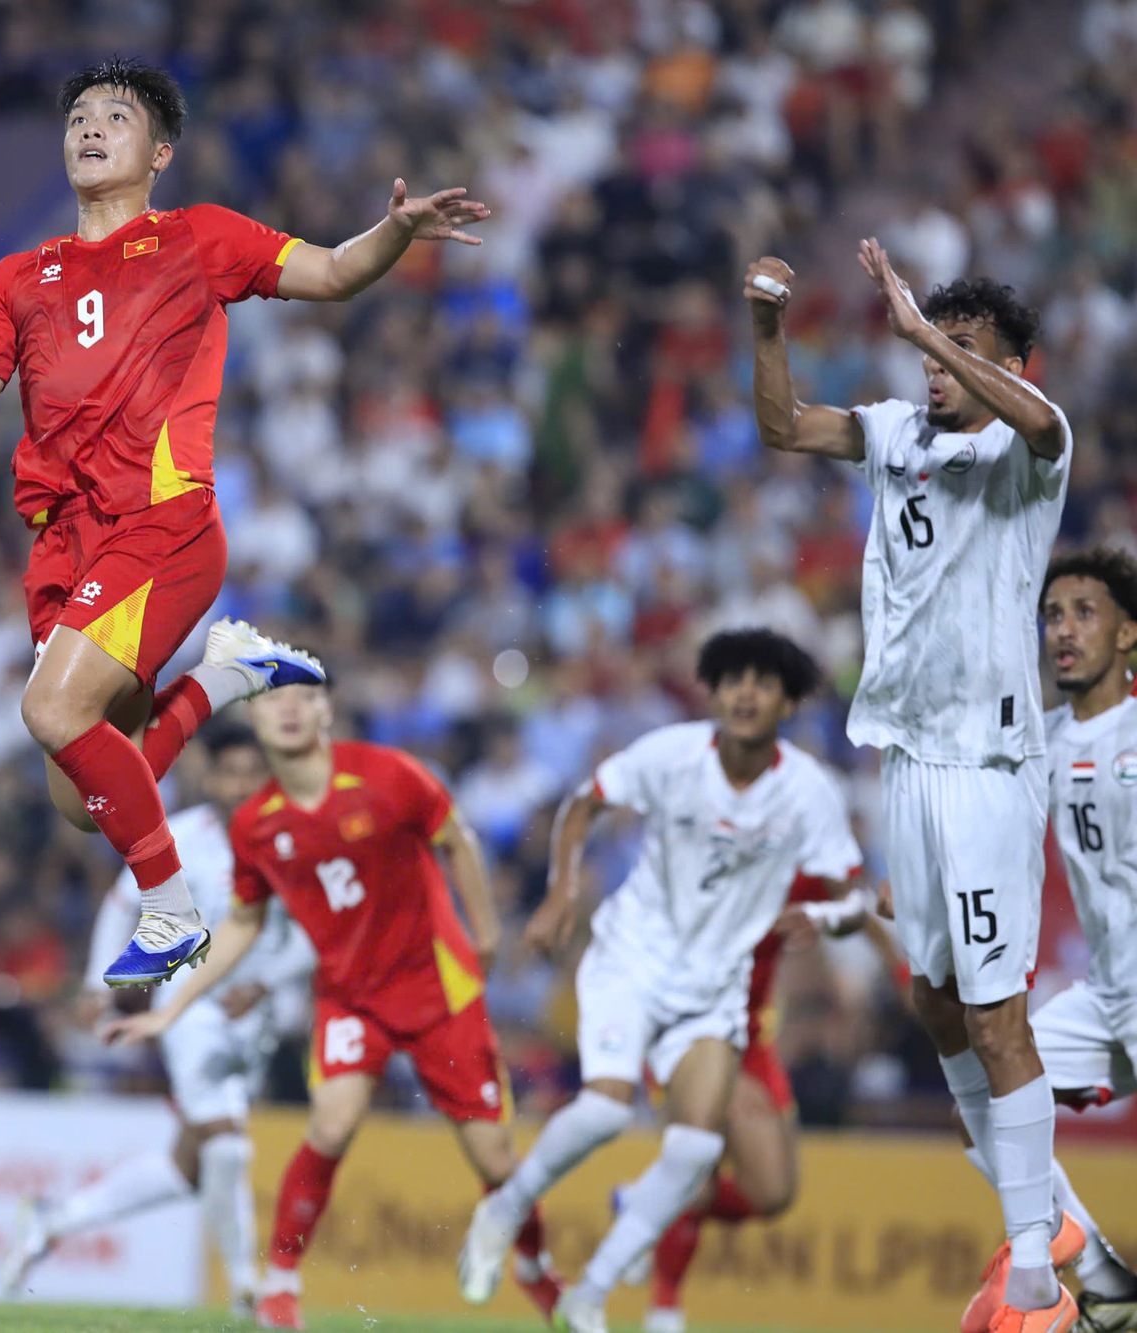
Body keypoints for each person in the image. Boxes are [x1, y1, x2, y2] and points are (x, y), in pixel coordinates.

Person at [0, 56, 489, 988]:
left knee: (48, 708)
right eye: (78, 115)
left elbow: (333, 273)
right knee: (83, 799)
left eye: (115, 115)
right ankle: (224, 679)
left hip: (163, 522)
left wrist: (394, 232)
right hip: (62, 544)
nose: (90, 127)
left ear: (160, 152)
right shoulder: (18, 278)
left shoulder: (199, 238)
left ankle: (172, 908)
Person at [744, 242, 1077, 1333]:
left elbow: (1029, 418)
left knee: (992, 1013)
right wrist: (763, 325)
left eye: (963, 352)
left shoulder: (1035, 454)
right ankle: (1048, 1214)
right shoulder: (895, 431)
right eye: (934, 348)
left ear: (1008, 362)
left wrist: (925, 335)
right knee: (931, 1000)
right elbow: (784, 427)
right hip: (904, 758)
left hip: (985, 770)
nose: (934, 372)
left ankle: (1032, 1258)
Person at [106, 677, 561, 1331]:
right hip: (352, 998)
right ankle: (280, 1286)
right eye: (271, 701)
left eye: (302, 699)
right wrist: (172, 1005)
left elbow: (456, 837)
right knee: (331, 1125)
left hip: (438, 990)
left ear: (326, 712)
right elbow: (241, 925)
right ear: (256, 720)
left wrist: (486, 934)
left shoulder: (389, 774)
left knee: (494, 1159)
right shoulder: (258, 823)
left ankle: (537, 1271)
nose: (287, 711)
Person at [461, 629, 863, 1333]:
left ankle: (593, 1291)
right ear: (712, 688)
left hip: (714, 988)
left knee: (697, 1148)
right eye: (732, 678)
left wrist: (828, 918)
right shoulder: (672, 754)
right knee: (609, 1109)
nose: (745, 692)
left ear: (788, 702)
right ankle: (506, 1207)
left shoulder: (808, 790)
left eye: (763, 683)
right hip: (631, 958)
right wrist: (560, 893)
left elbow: (851, 894)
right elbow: (585, 801)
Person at [1, 724, 316, 1315]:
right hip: (189, 1009)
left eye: (253, 772)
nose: (241, 783)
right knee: (226, 1144)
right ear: (211, 776)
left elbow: (317, 933)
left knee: (190, 1165)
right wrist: (99, 980)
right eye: (231, 771)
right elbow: (122, 902)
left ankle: (53, 1221)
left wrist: (266, 984)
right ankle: (249, 1292)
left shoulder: (289, 842)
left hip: (256, 1021)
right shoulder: (182, 838)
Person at [634, 879, 891, 1333]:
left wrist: (844, 931)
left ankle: (644, 1208)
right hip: (684, 1033)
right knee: (695, 1175)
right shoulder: (699, 853)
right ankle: (664, 1311)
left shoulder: (797, 853)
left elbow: (851, 902)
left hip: (752, 1039)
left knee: (773, 1193)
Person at [999, 548, 1137, 1333]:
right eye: (1053, 613)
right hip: (1108, 993)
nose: (1063, 629)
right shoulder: (1040, 743)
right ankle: (1100, 1274)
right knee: (989, 1093)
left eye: (1086, 611)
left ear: (1128, 635)